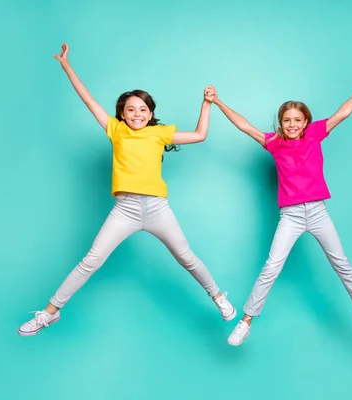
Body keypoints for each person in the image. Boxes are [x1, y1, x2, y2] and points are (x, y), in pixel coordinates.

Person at [18, 43, 236, 336]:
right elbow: (88, 100)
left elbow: (200, 134)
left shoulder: (160, 133)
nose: (137, 114)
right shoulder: (115, 130)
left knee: (186, 257)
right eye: (130, 109)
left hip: (158, 209)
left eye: (142, 109)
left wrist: (207, 103)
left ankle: (219, 297)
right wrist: (68, 68)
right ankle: (49, 313)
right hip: (125, 210)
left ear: (150, 113)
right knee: (90, 261)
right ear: (121, 113)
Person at [211, 67, 352, 346]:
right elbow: (244, 125)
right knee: (271, 267)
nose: (292, 124)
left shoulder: (315, 135)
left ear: (306, 121)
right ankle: (245, 321)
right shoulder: (274, 143)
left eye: (298, 119)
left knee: (342, 264)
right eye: (287, 120)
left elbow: (343, 112)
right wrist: (219, 101)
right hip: (291, 216)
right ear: (281, 123)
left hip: (318, 212)